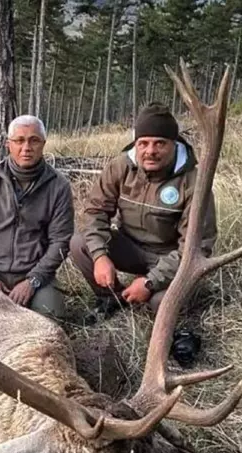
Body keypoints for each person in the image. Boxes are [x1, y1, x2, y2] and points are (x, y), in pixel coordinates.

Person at [70, 102, 217, 316]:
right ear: (135, 143)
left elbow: (196, 247)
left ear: (174, 144)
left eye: (159, 143)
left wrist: (150, 282)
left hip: (169, 258)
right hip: (130, 248)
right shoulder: (120, 167)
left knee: (161, 304)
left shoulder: (194, 183)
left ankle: (149, 298)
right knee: (80, 244)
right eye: (143, 143)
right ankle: (114, 300)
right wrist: (100, 255)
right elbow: (95, 212)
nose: (150, 151)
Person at [0, 115, 74, 321]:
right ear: (8, 144)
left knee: (50, 318)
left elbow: (60, 241)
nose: (26, 147)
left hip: (35, 276)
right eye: (19, 141)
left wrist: (33, 281)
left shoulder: (58, 186)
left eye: (34, 140)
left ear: (43, 144)